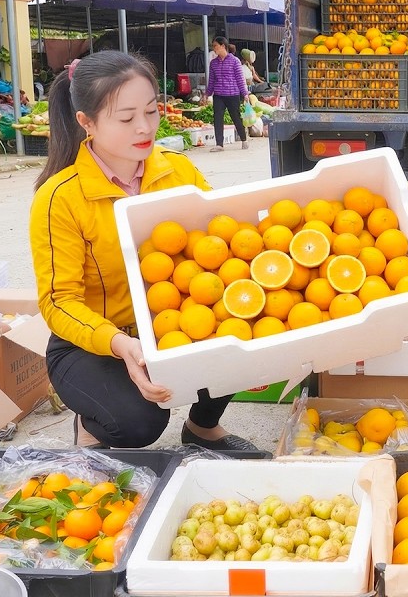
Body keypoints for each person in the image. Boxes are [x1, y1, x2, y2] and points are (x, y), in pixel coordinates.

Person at [30, 51, 260, 451]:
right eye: (126, 117)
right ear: (86, 122)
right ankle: (92, 423)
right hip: (96, 342)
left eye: (152, 111)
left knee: (246, 324)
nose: (144, 127)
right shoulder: (60, 198)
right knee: (137, 422)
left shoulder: (179, 171)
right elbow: (58, 301)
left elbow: (221, 249)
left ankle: (203, 427)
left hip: (172, 321)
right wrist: (121, 345)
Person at [206, 37, 248, 152]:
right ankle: (219, 144)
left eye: (215, 46)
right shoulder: (213, 63)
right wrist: (207, 94)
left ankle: (244, 139)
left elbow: (240, 79)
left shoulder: (235, 61)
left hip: (232, 94)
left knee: (236, 118)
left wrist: (245, 93)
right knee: (217, 118)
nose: (213, 48)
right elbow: (212, 80)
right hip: (218, 95)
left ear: (223, 46)